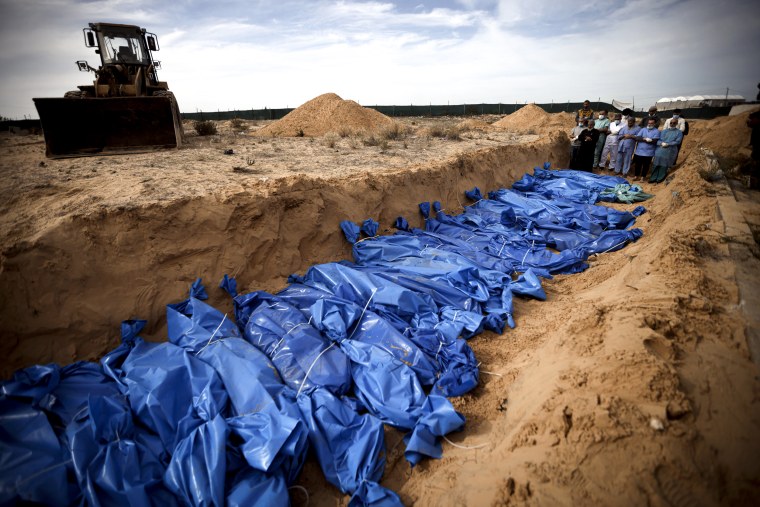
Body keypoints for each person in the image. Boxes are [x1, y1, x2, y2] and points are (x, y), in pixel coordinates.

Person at [649, 118, 684, 183]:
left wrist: (668, 144)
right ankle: (652, 178)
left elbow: (678, 141)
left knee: (664, 164)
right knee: (656, 163)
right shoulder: (664, 131)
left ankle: (659, 178)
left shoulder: (679, 133)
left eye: (674, 123)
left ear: (676, 124)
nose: (672, 124)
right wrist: (661, 143)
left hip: (670, 150)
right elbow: (659, 140)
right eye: (671, 123)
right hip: (660, 149)